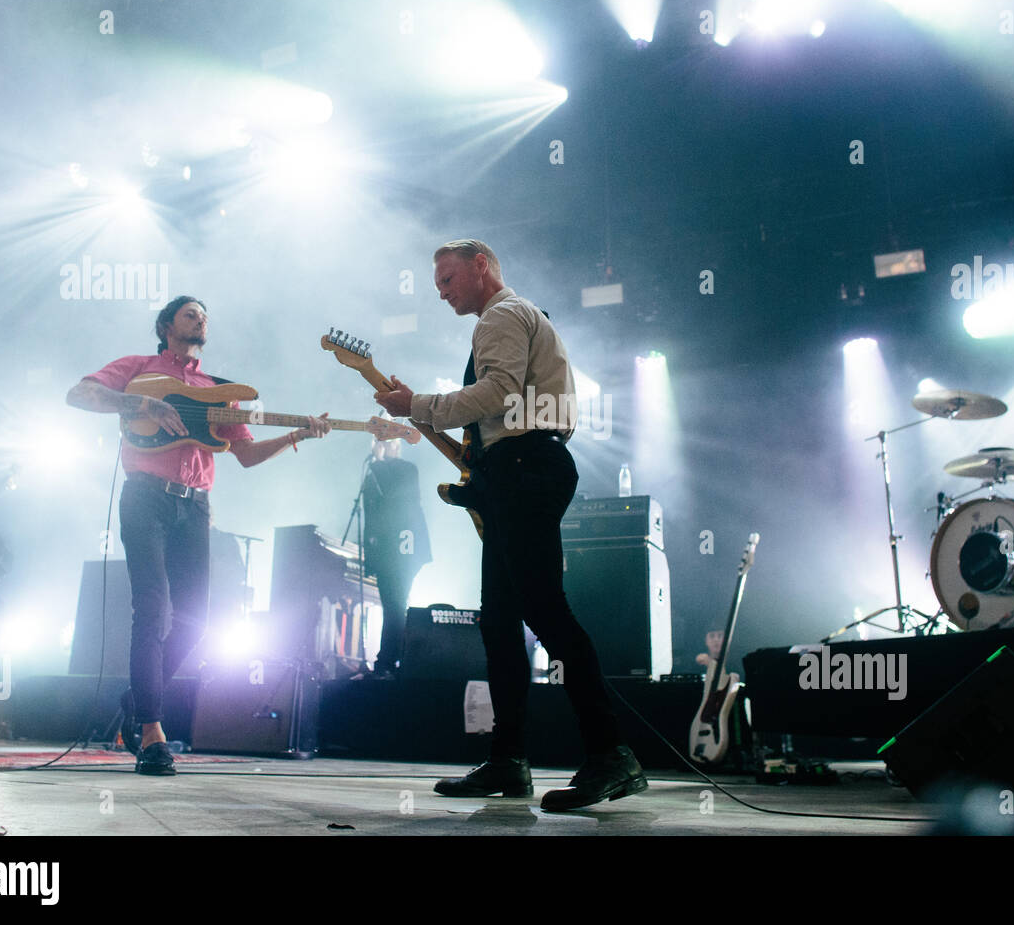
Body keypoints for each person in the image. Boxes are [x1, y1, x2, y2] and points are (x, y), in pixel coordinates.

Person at [374, 239, 647, 811]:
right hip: (515, 469)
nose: (442, 293)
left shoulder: (501, 315)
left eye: (447, 279)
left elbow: (496, 393)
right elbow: (508, 406)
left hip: (525, 468)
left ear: (481, 266)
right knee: (499, 624)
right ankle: (508, 760)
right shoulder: (523, 317)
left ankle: (611, 754)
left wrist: (417, 404)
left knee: (545, 612)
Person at [67, 295, 331, 775]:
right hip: (145, 498)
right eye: (191, 313)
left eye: (205, 315)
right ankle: (151, 733)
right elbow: (78, 394)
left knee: (194, 622)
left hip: (195, 507)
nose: (201, 319)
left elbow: (246, 456)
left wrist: (298, 435)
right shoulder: (140, 367)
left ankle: (136, 699)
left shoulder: (219, 389)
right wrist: (138, 401)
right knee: (152, 611)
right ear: (168, 325)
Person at [355, 434, 431, 679]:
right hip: (385, 551)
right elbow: (371, 513)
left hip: (404, 547)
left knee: (395, 604)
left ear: (396, 445)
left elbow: (394, 497)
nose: (382, 446)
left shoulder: (407, 470)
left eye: (387, 442)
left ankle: (389, 661)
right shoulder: (373, 471)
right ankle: (389, 660)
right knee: (393, 604)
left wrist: (378, 463)